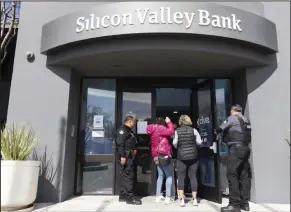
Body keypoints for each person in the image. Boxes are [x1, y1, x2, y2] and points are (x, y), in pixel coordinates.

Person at [215, 104, 252, 212]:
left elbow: (220, 128)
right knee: (244, 175)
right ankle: (244, 204)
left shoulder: (232, 118)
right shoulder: (245, 119)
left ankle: (234, 205)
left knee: (232, 174)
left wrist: (216, 131)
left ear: (232, 110)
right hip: (245, 148)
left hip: (235, 149)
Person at [173, 115, 202, 207]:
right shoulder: (194, 130)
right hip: (193, 157)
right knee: (193, 177)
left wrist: (178, 147)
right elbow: (199, 142)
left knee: (181, 178)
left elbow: (174, 143)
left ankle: (181, 200)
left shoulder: (177, 131)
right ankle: (194, 200)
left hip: (181, 157)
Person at [146, 117, 175, 204]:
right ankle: (168, 197)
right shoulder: (161, 128)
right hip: (163, 154)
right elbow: (171, 132)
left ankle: (158, 196)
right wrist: (169, 123)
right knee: (169, 176)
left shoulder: (152, 128)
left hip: (156, 155)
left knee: (160, 176)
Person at [116, 115, 142, 205]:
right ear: (130, 122)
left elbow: (130, 143)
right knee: (128, 177)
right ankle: (130, 199)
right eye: (133, 123)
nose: (134, 125)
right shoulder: (122, 130)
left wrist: (134, 149)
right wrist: (122, 156)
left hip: (129, 156)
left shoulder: (129, 131)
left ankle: (123, 196)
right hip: (126, 157)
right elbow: (120, 144)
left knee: (125, 176)